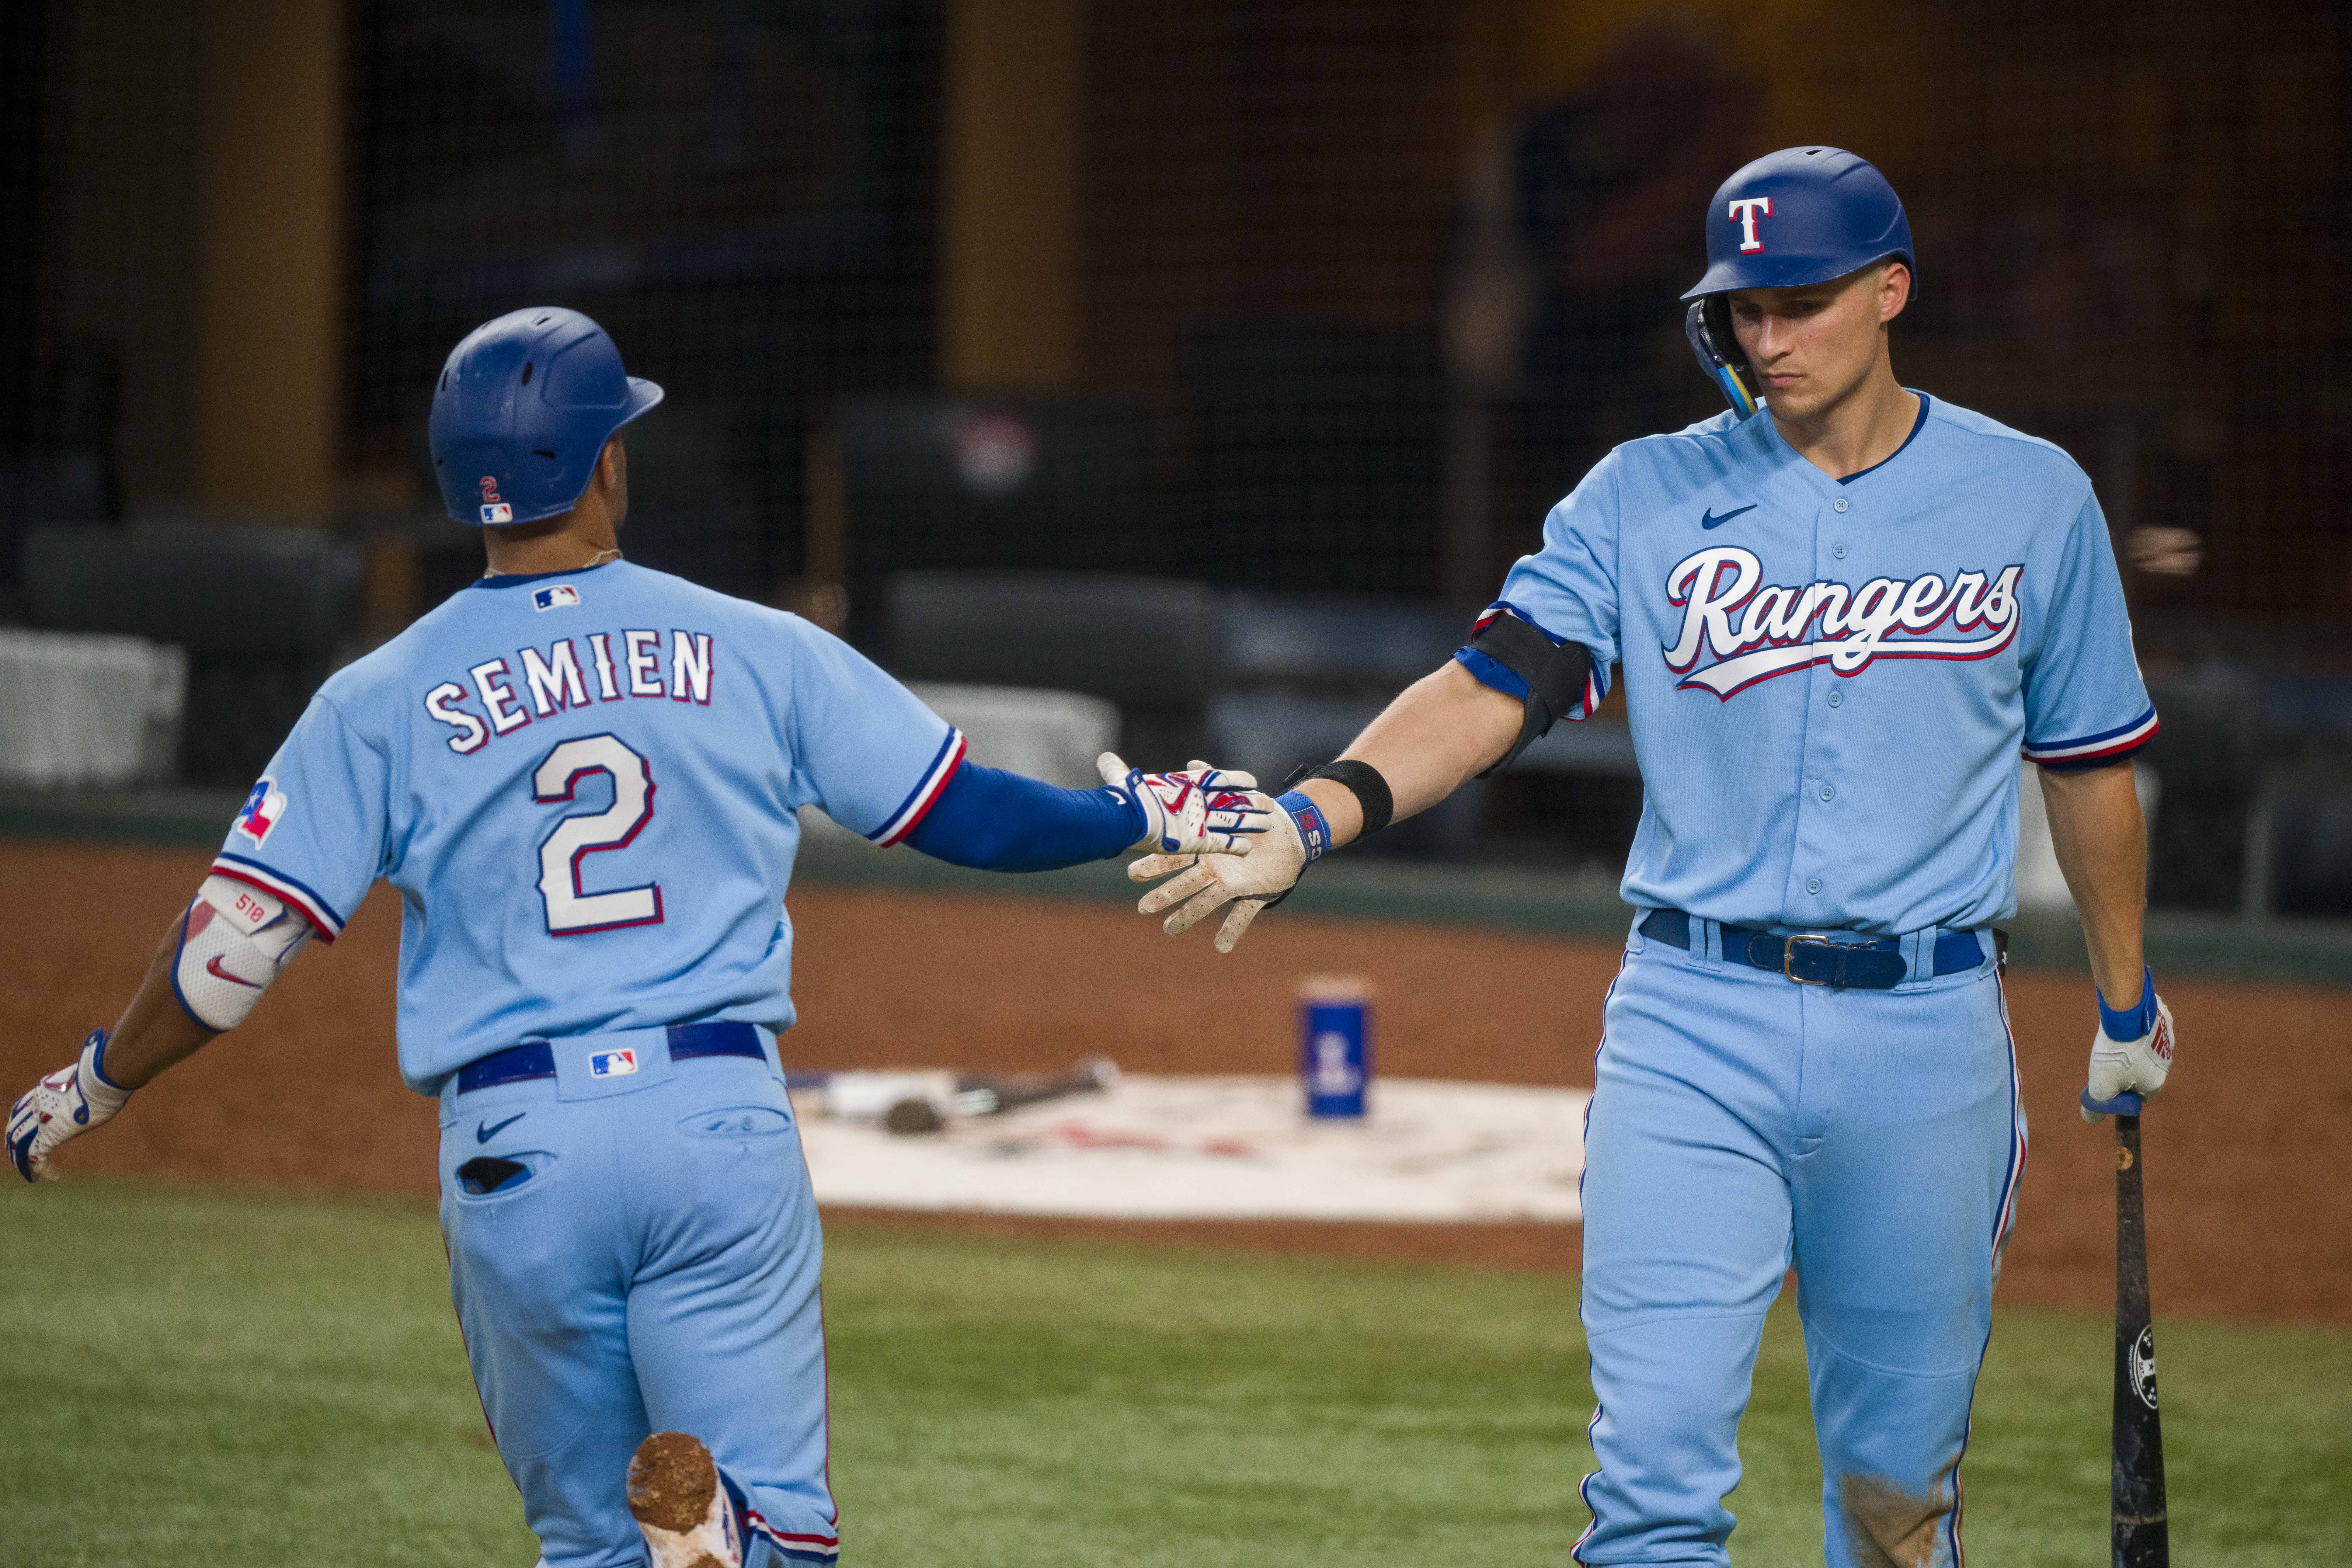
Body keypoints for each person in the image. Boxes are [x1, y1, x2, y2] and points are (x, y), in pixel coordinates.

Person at [7, 306, 1264, 1568]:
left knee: (590, 1549)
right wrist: (1141, 805)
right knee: (788, 1539)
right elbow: (970, 816)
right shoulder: (756, 644)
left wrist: (94, 1083)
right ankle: (731, 1538)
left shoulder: (377, 696)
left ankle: (672, 1541)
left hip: (513, 1155)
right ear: (608, 461)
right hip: (713, 1125)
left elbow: (229, 955)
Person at [1132, 148, 2177, 1566]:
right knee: (1650, 1495)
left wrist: (2125, 1007)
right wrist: (1320, 811)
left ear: (1891, 291)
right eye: (1745, 309)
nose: (1769, 338)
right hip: (1695, 1025)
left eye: (1801, 303)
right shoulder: (1643, 495)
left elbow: (2090, 764)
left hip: (1928, 1041)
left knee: (1895, 1500)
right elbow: (1493, 679)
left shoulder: (2030, 496)